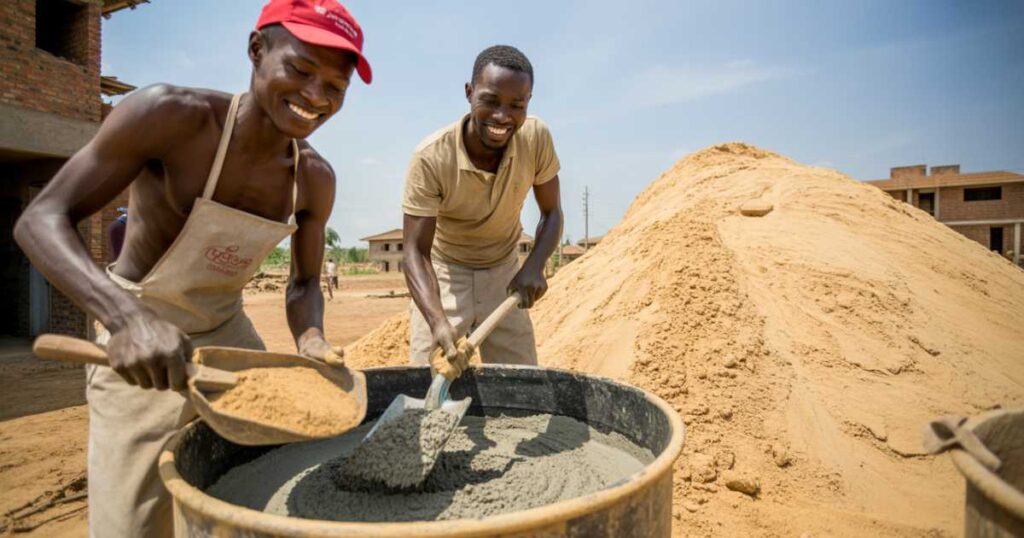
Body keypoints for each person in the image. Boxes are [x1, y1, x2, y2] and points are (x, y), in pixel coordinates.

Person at [13, 1, 371, 535]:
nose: (315, 97)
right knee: (133, 519)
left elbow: (302, 284)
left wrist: (312, 337)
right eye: (299, 70)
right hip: (138, 337)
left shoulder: (313, 178)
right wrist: (127, 320)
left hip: (228, 340)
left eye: (335, 88)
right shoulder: (169, 117)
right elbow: (40, 219)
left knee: (250, 503)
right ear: (257, 50)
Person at [402, 45, 563, 378]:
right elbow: (415, 252)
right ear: (469, 92)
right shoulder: (431, 157)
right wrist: (436, 320)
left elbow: (552, 213)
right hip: (445, 273)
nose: (502, 116)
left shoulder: (536, 138)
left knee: (521, 384)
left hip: (504, 272)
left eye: (516, 105)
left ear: (528, 101)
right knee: (426, 377)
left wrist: (534, 266)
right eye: (490, 100)